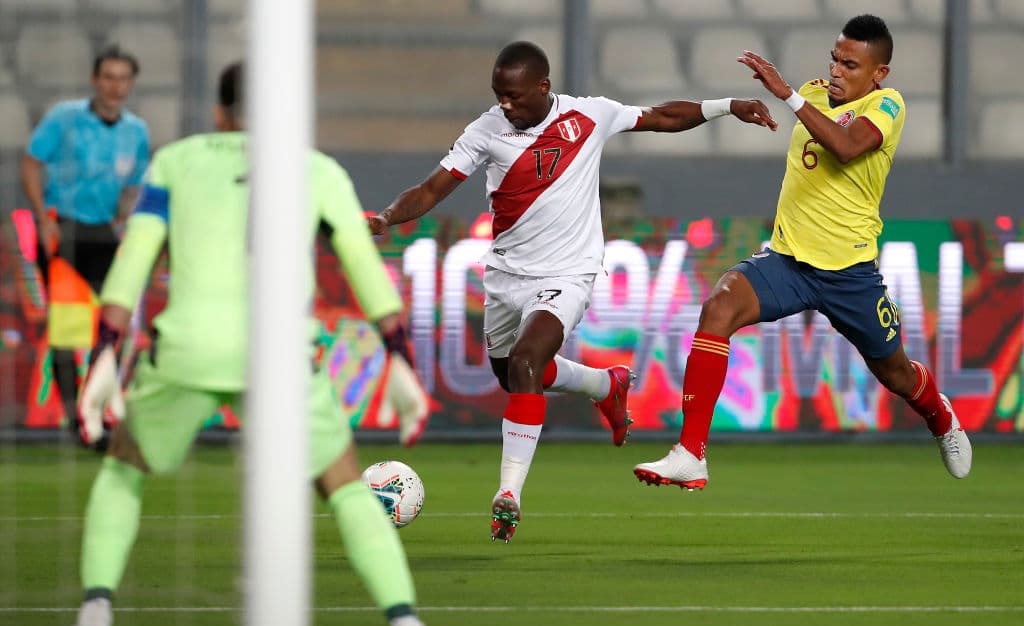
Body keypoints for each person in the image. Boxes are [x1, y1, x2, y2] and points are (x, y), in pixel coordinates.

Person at [48, 62, 471, 626]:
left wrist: (105, 354)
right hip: (281, 355)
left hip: (189, 349)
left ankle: (93, 618)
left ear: (221, 113)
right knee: (346, 484)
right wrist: (399, 360)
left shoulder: (176, 161)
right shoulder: (318, 170)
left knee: (124, 468)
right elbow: (361, 264)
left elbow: (134, 258)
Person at [368, 41, 777, 543]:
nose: (506, 106)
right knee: (510, 374)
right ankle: (608, 386)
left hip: (568, 273)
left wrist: (726, 107)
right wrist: (387, 217)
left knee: (524, 363)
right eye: (499, 96)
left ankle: (508, 495)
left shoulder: (589, 116)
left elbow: (665, 117)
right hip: (506, 274)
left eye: (515, 97)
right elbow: (432, 189)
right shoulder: (485, 131)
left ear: (543, 87)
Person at [633, 15, 972, 490]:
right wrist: (753, 104)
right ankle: (691, 453)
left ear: (879, 73)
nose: (836, 70)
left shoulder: (887, 105)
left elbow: (848, 148)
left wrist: (786, 94)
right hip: (789, 261)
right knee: (719, 306)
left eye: (850, 64)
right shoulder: (813, 93)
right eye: (835, 58)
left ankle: (940, 416)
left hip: (849, 272)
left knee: (895, 374)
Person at [20, 45, 150, 433]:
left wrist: (128, 216)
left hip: (105, 234)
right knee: (66, 330)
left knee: (112, 327)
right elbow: (30, 161)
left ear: (131, 84)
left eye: (123, 78)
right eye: (109, 77)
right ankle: (76, 412)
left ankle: (98, 404)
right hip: (66, 230)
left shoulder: (136, 131)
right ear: (96, 80)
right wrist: (43, 218)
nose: (116, 86)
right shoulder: (65, 118)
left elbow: (133, 185)